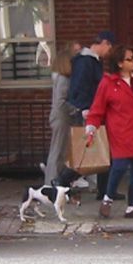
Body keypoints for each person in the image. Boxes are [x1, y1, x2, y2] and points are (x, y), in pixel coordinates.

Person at [84, 44, 133, 219]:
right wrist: (91, 128)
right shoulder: (108, 83)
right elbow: (97, 108)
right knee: (120, 166)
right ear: (119, 63)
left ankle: (132, 206)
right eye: (129, 59)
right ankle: (107, 199)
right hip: (120, 131)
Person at [63, 31, 115, 200]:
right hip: (88, 111)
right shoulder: (87, 62)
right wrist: (84, 108)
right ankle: (62, 181)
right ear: (105, 43)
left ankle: (104, 189)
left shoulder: (89, 61)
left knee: (98, 149)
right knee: (88, 151)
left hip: (92, 110)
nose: (109, 53)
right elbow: (80, 87)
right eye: (110, 48)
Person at [44, 41, 83, 186]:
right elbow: (60, 101)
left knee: (62, 152)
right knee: (57, 151)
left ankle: (58, 181)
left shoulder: (63, 78)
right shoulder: (63, 79)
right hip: (61, 117)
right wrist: (75, 109)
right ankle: (50, 182)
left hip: (63, 117)